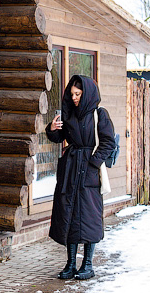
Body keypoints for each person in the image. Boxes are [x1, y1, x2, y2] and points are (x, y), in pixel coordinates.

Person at [45, 75, 117, 280]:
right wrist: (52, 130)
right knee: (68, 214)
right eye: (72, 94)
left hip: (89, 171)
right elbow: (59, 137)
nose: (74, 98)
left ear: (87, 93)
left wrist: (92, 163)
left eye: (78, 94)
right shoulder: (69, 114)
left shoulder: (99, 114)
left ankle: (87, 265)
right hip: (70, 168)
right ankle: (70, 264)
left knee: (88, 216)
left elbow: (108, 142)